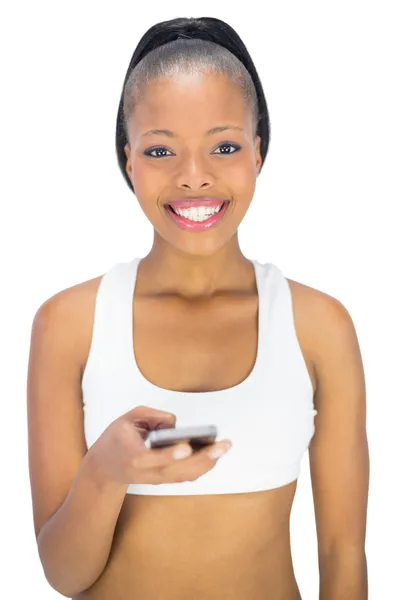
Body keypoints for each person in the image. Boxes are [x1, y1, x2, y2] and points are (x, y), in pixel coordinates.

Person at [27, 16, 369, 600]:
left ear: (258, 153)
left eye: (225, 146)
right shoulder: (69, 324)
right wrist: (107, 470)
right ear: (128, 161)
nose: (194, 177)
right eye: (160, 150)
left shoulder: (318, 326)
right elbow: (64, 573)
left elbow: (342, 555)